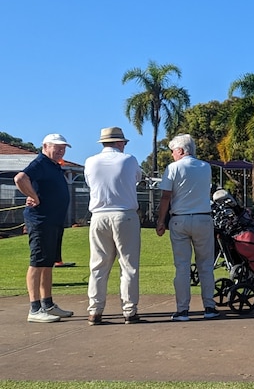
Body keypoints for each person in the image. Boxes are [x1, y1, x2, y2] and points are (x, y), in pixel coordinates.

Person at [156, 134, 219, 322]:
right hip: (203, 218)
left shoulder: (173, 168)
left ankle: (183, 310)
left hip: (180, 219)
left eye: (174, 151)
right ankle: (209, 306)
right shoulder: (205, 167)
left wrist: (160, 221)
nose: (172, 155)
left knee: (182, 267)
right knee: (206, 266)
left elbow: (166, 196)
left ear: (181, 151)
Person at [84, 127, 143, 325]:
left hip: (99, 215)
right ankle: (129, 310)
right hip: (124, 214)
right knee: (128, 265)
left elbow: (89, 183)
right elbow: (137, 179)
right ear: (119, 143)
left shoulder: (90, 161)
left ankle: (95, 310)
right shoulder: (129, 160)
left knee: (98, 265)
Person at [14, 133, 75, 323]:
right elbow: (20, 178)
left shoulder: (54, 165)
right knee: (37, 262)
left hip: (53, 221)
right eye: (57, 147)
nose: (60, 150)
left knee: (48, 263)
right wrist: (34, 196)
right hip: (40, 220)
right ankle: (34, 308)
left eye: (63, 147)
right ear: (45, 146)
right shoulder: (40, 162)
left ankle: (47, 304)